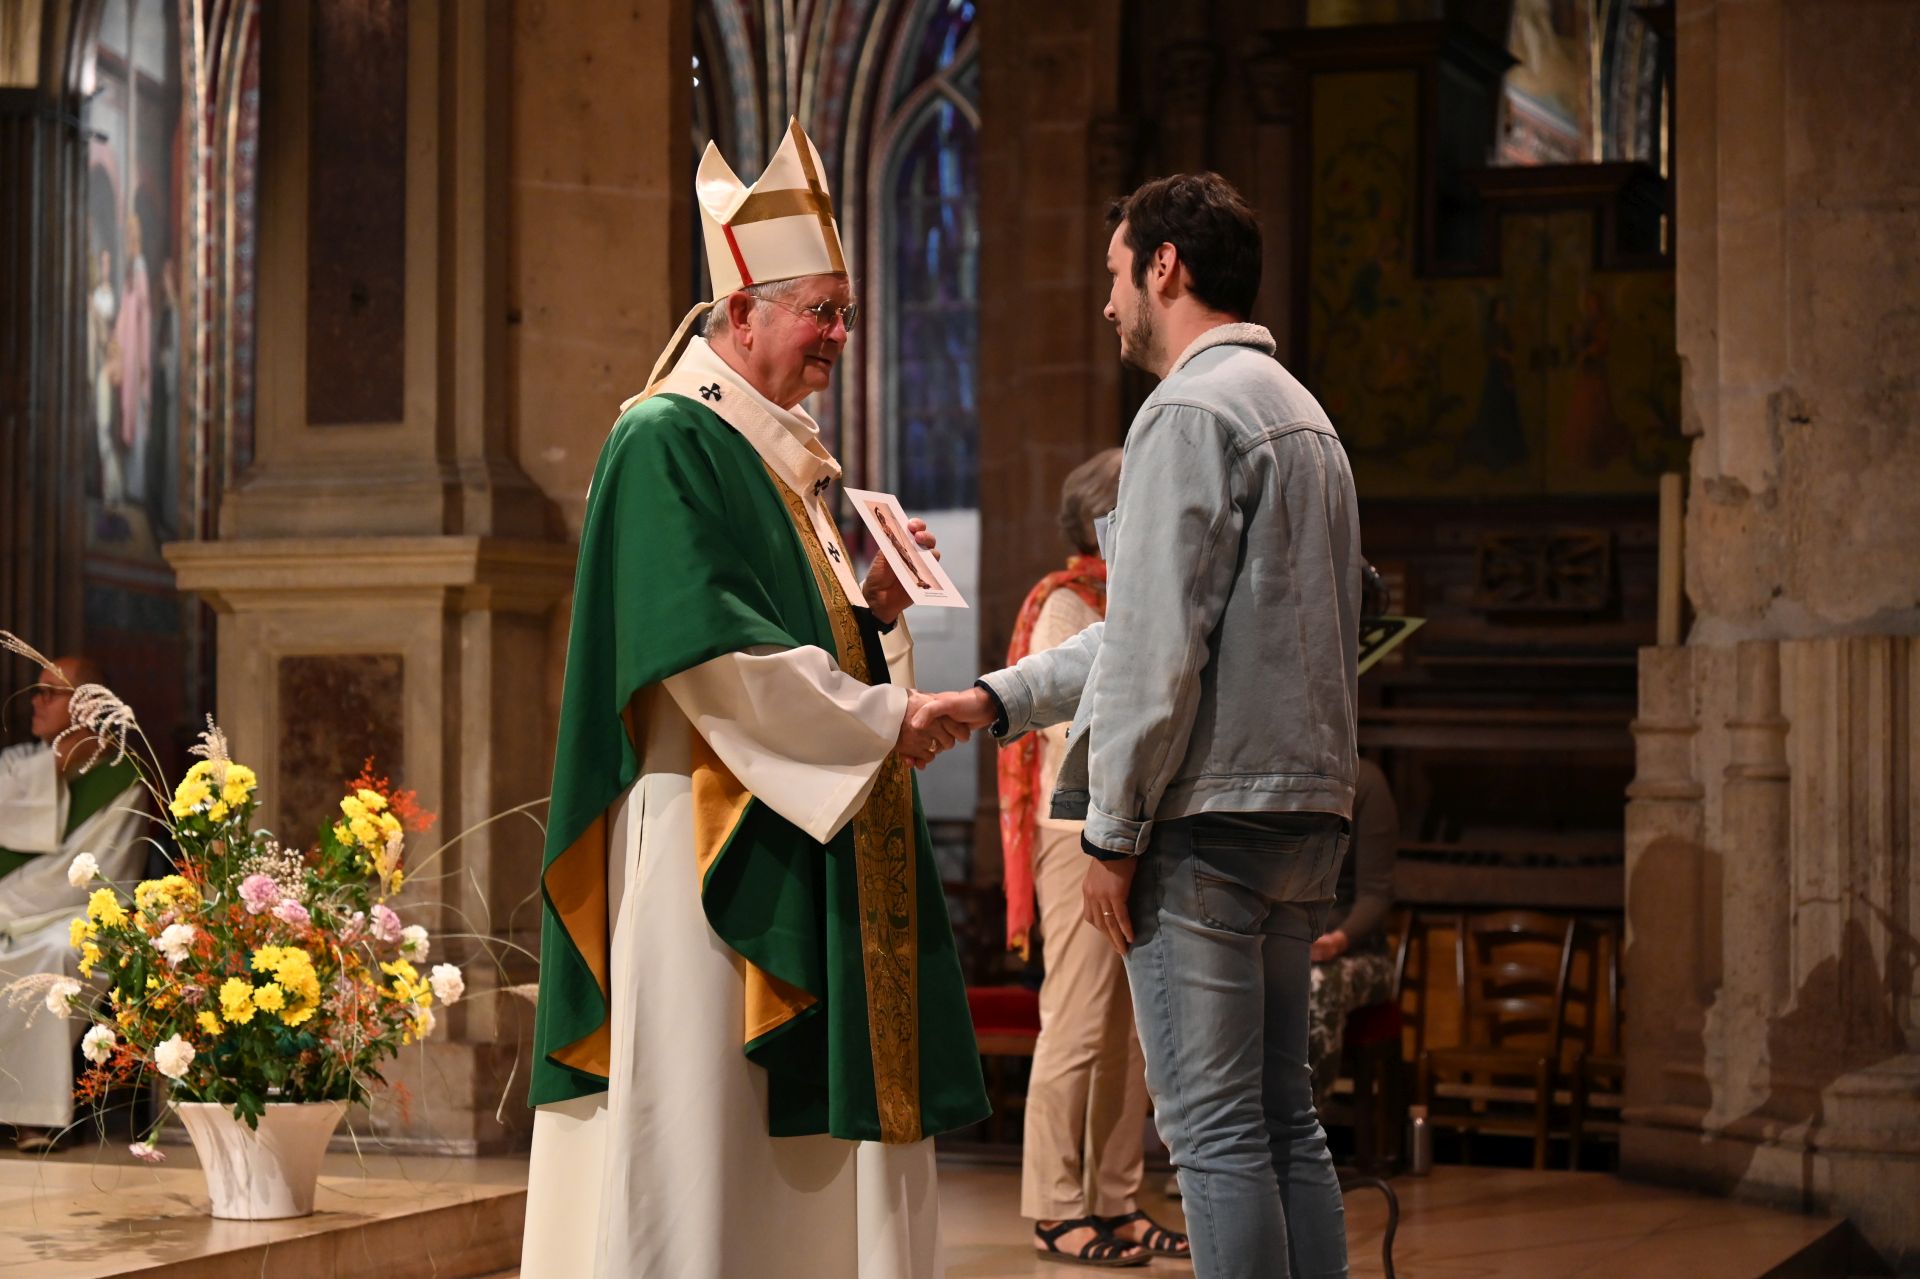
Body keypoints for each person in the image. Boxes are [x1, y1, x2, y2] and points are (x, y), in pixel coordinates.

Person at [520, 119, 989, 1279]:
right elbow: (711, 653)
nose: (840, 336)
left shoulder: (785, 460)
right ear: (740, 313)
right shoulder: (667, 439)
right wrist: (888, 719)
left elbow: (795, 640)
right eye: (821, 311)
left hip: (798, 813)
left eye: (846, 313)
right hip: (705, 837)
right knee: (704, 1141)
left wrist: (875, 615)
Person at [924, 172, 1362, 1279]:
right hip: (1302, 815)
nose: (1108, 302)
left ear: (1166, 266)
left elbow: (1158, 646)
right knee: (1285, 1119)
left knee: (1212, 1131)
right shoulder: (1306, 415)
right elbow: (1166, 632)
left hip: (1206, 821)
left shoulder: (1186, 412)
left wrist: (1112, 836)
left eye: (1116, 274)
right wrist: (994, 700)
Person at [1001, 448, 1190, 1267]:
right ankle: (1055, 1205)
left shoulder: (1148, 594)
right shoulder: (1066, 600)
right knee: (1077, 1023)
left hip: (1137, 830)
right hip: (1075, 831)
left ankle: (1115, 1197)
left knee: (1131, 1033)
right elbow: (1063, 723)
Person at [0, 658, 147, 1152]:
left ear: (86, 704)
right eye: (35, 691)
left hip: (75, 916)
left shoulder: (122, 778)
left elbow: (106, 874)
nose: (36, 701)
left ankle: (31, 1116)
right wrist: (53, 770)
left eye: (50, 692)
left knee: (56, 955)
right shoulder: (17, 764)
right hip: (11, 909)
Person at [1306, 757, 1397, 1103]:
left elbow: (1376, 895)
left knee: (1318, 984)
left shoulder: (1366, 782)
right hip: (1291, 942)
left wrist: (1336, 942)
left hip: (1358, 954)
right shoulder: (1286, 777)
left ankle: (1305, 1118)